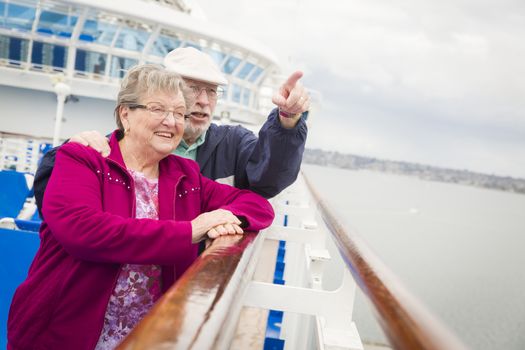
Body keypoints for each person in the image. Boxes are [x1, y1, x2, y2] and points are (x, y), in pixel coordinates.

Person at [7, 64, 274, 350]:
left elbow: (259, 206)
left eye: (179, 113)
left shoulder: (186, 175)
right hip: (63, 334)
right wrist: (191, 231)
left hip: (152, 336)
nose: (171, 122)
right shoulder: (84, 160)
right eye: (158, 109)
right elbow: (83, 232)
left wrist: (226, 219)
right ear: (126, 114)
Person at [33, 47, 309, 216]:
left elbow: (269, 180)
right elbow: (57, 202)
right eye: (192, 88)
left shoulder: (233, 143)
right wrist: (67, 153)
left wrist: (287, 120)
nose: (203, 100)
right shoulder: (114, 149)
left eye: (212, 91)